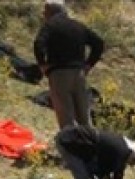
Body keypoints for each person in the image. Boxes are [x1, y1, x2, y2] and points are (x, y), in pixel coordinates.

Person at [34, 0, 105, 129]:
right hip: (79, 75)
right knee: (84, 118)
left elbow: (38, 44)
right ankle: (90, 145)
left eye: (45, 11)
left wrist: (43, 65)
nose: (43, 14)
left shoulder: (50, 26)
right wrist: (89, 64)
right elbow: (99, 43)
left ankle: (71, 147)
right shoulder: (78, 26)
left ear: (50, 11)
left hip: (59, 74)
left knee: (66, 118)